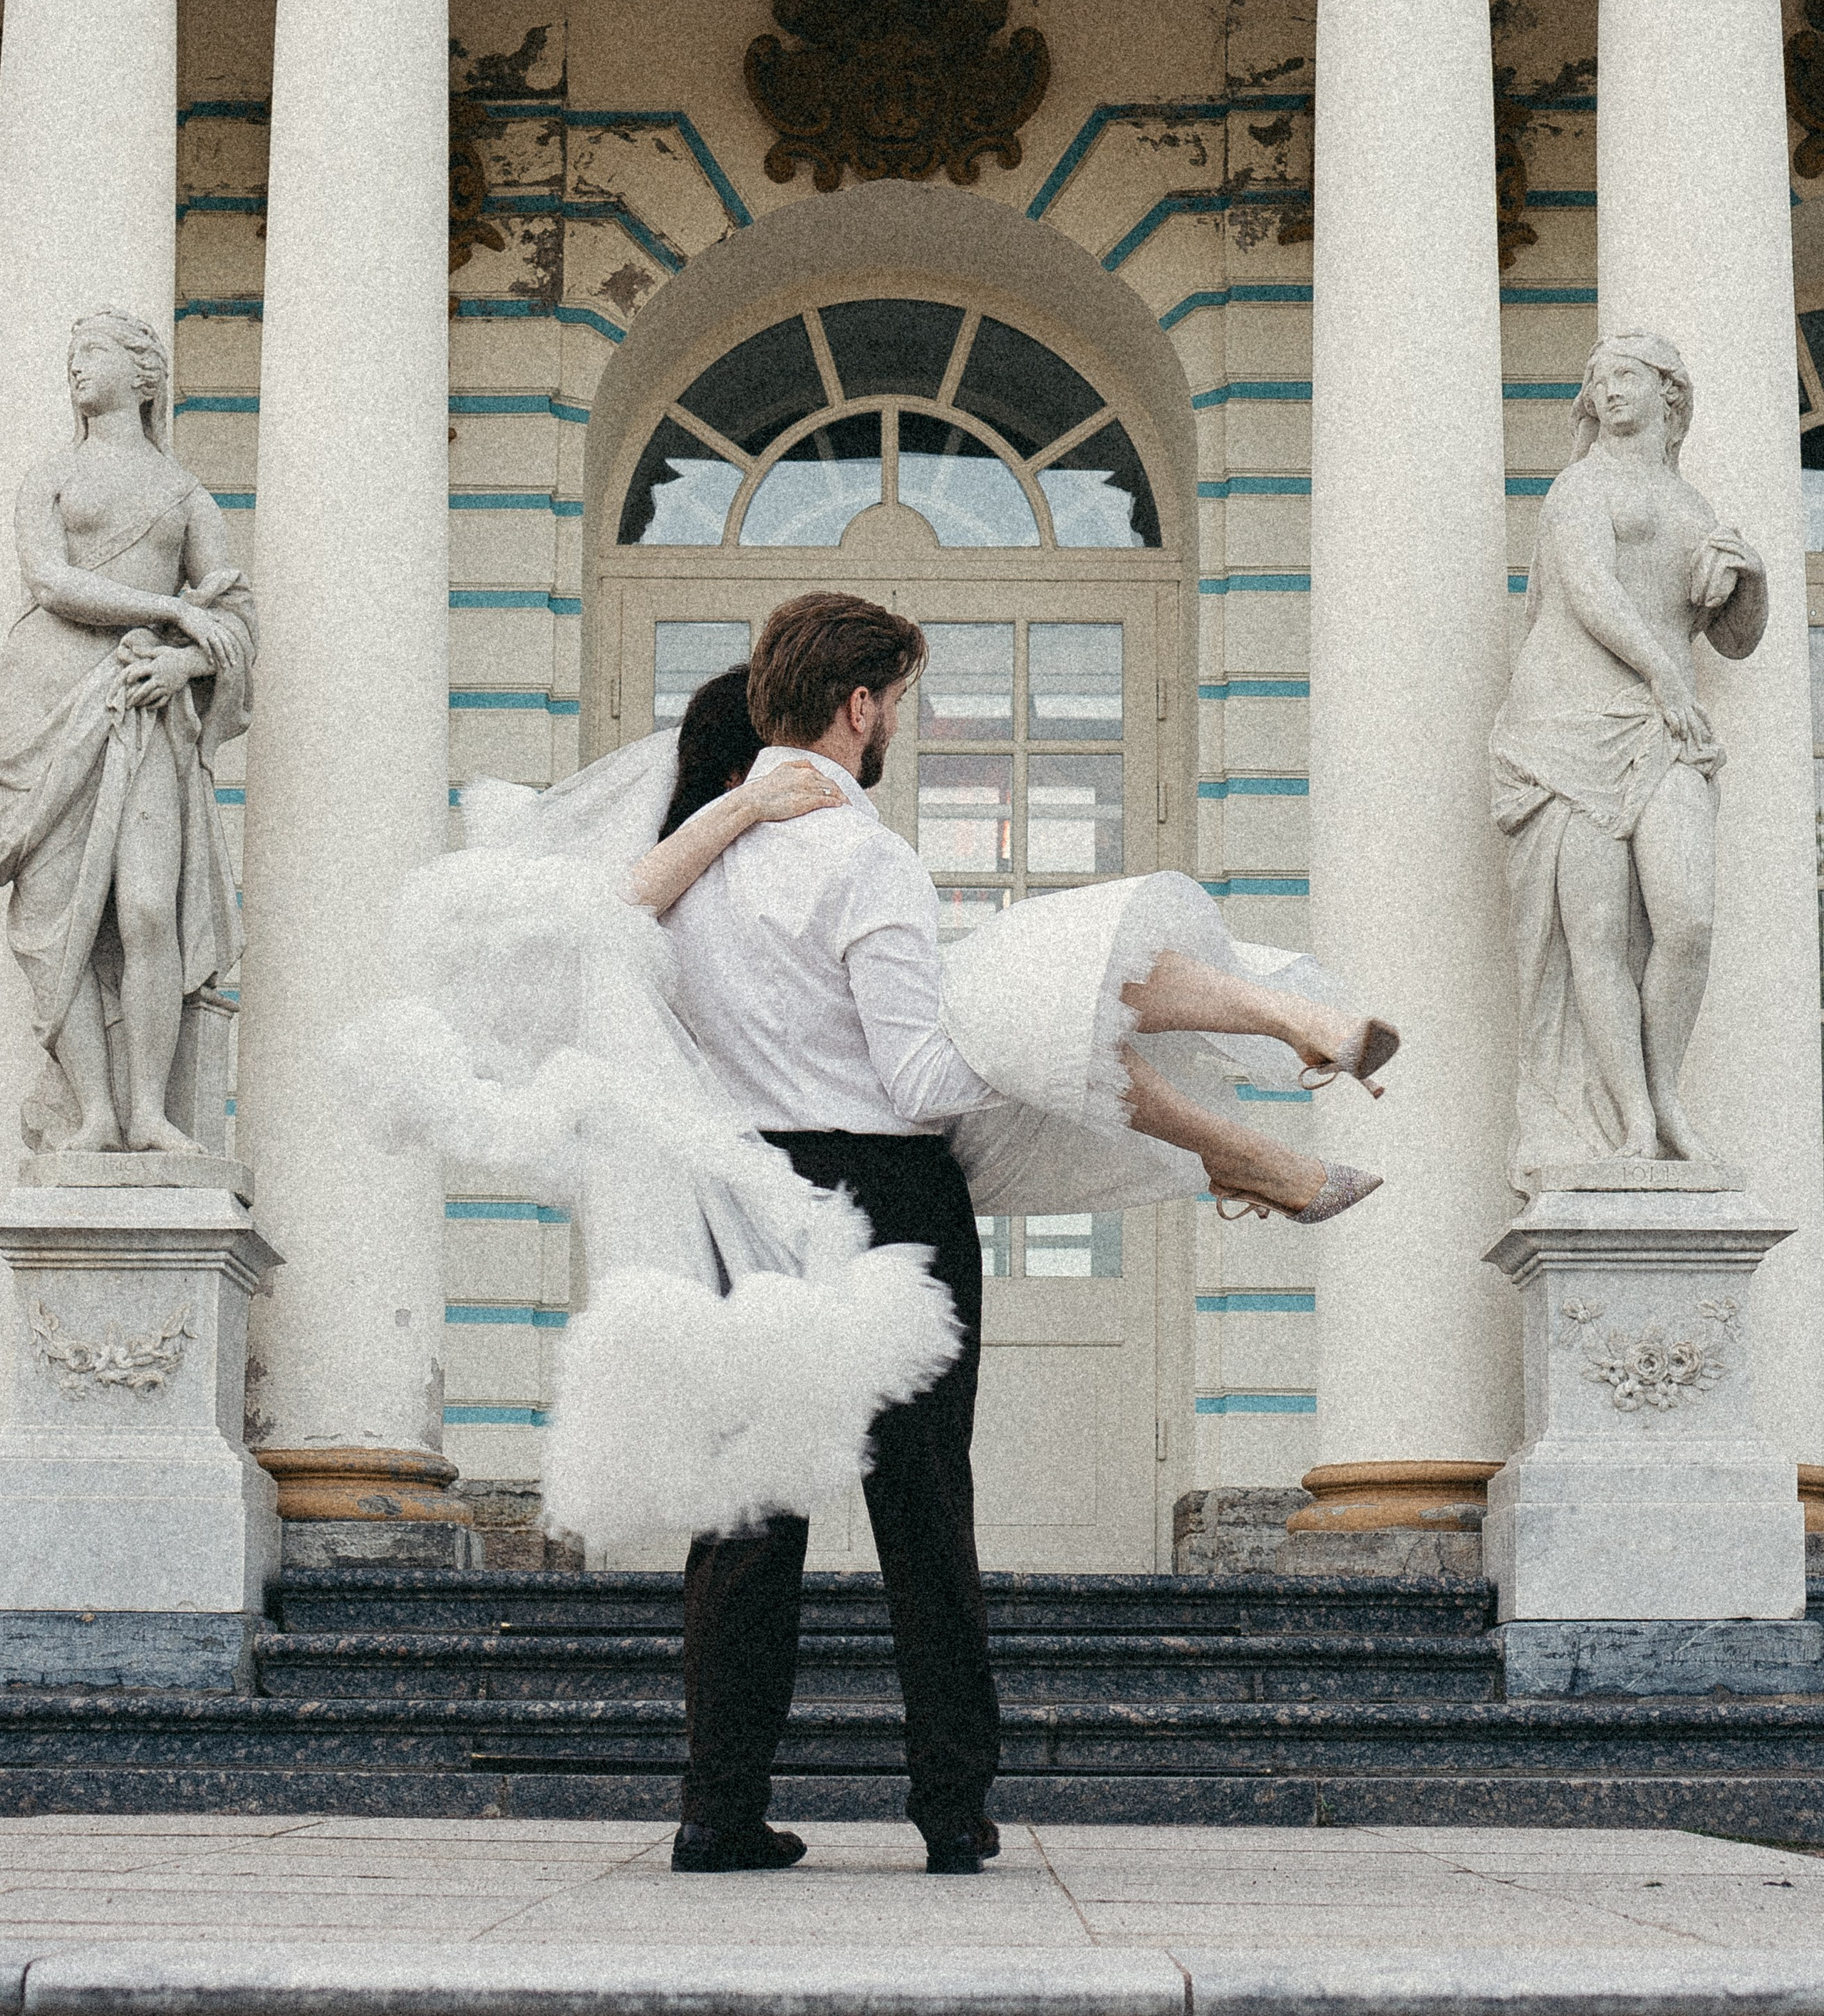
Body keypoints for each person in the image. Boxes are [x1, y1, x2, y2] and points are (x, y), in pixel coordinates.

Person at [346, 596, 1394, 1869]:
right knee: (923, 1510)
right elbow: (919, 1082)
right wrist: (1027, 1050)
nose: (900, 720)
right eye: (899, 699)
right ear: (859, 707)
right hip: (888, 1198)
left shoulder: (688, 868)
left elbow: (608, 930)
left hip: (745, 1200)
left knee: (746, 1518)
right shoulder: (868, 859)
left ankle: (718, 1809)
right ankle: (952, 1810)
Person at [1490, 332, 1766, 1176]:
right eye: (1598, 380)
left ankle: (1666, 1094)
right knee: (1596, 935)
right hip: (1567, 726)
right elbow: (1589, 590)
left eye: (1625, 377)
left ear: (1667, 393)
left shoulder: (1693, 507)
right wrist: (1664, 676)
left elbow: (1732, 639)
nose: (1607, 391)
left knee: (1687, 921)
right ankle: (1634, 1123)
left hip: (1660, 728)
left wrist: (1751, 581)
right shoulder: (1580, 486)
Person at [0, 310, 254, 1156]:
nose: (76, 367)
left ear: (144, 374)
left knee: (147, 909)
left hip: (144, 710)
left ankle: (149, 1112)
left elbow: (236, 621)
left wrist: (184, 664)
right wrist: (169, 611)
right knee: (55, 919)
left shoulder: (184, 495)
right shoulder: (49, 478)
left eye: (94, 352)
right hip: (46, 706)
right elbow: (48, 580)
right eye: (72, 354)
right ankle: (95, 1116)